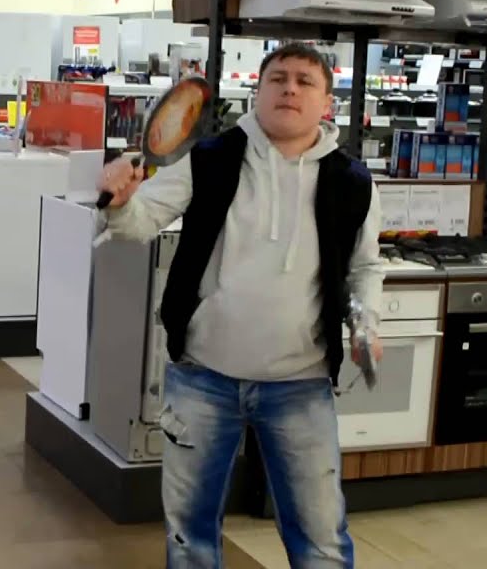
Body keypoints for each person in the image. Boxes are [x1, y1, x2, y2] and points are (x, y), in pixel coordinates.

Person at [97, 44, 385, 569]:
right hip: (203, 376)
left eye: (304, 81)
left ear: (327, 102)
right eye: (278, 78)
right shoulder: (210, 158)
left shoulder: (352, 182)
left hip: (301, 382)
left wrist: (365, 321)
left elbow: (364, 268)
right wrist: (120, 203)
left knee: (320, 538)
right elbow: (139, 222)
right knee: (190, 536)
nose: (289, 88)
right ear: (259, 91)